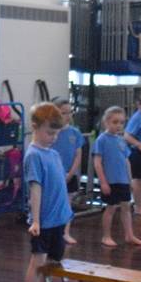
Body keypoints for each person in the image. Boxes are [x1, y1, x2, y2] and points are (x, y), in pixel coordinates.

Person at [24, 102, 73, 282]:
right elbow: (35, 190)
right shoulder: (33, 155)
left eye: (56, 133)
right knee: (37, 263)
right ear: (35, 127)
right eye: (50, 133)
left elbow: (59, 187)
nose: (53, 138)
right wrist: (35, 220)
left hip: (57, 220)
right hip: (43, 221)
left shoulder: (53, 154)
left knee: (51, 264)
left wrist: (66, 215)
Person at [93, 106, 141, 248]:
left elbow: (126, 161)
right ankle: (106, 236)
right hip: (111, 181)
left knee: (126, 207)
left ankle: (129, 235)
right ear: (106, 122)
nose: (118, 125)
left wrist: (130, 180)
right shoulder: (101, 140)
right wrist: (103, 182)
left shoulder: (121, 140)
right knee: (110, 208)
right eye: (115, 122)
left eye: (122, 122)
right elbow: (97, 163)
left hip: (123, 180)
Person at [51, 96, 83, 245]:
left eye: (69, 112)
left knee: (67, 205)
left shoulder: (75, 133)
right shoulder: (51, 133)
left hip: (69, 174)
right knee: (53, 204)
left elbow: (78, 155)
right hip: (54, 175)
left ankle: (66, 232)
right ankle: (53, 232)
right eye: (63, 113)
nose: (67, 116)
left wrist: (71, 173)